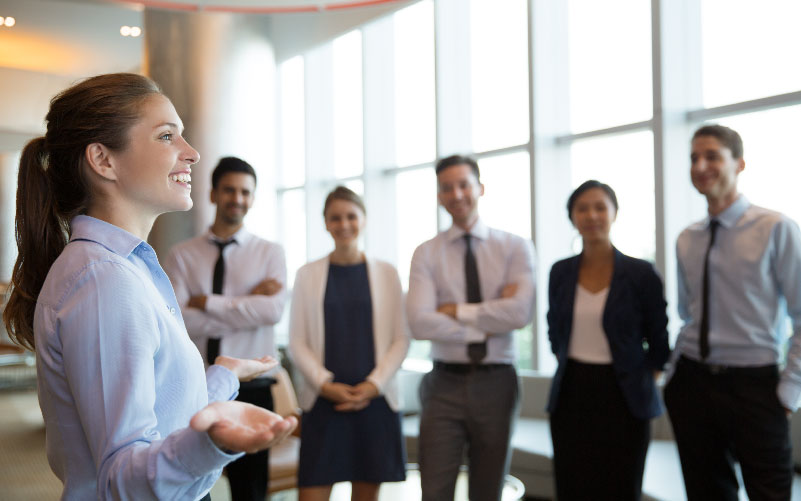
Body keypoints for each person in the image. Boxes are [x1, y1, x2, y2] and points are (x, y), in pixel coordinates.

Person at [1, 73, 296, 501]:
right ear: (103, 160)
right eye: (166, 136)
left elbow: (164, 417)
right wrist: (214, 443)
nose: (192, 153)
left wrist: (221, 376)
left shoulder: (123, 268)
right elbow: (122, 479)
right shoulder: (104, 281)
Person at [664, 124, 801, 500]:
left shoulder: (776, 228)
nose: (700, 165)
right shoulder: (687, 238)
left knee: (769, 492)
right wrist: (674, 376)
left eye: (712, 156)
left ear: (739, 163)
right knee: (705, 492)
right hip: (692, 382)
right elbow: (687, 313)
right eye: (694, 157)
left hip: (755, 386)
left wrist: (789, 392)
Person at [406, 155, 536, 501]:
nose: (456, 193)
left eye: (463, 184)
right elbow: (419, 323)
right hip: (442, 384)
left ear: (480, 187)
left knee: (487, 491)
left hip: (498, 382)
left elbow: (520, 314)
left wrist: (455, 312)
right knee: (434, 490)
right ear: (439, 196)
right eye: (446, 188)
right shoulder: (426, 253)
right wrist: (488, 320)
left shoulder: (514, 247)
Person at [164, 156, 287, 501]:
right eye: (229, 190)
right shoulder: (181, 255)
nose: (238, 199)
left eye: (246, 192)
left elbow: (273, 310)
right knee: (187, 483)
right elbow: (180, 320)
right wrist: (247, 301)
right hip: (194, 384)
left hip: (253, 386)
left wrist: (210, 302)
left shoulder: (270, 253)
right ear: (213, 194)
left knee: (250, 491)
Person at [546, 180, 670, 500]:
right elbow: (553, 329)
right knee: (573, 486)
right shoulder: (560, 272)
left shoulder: (641, 273)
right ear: (572, 217)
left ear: (615, 212)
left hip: (625, 395)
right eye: (582, 208)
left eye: (600, 207)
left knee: (621, 487)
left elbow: (659, 339)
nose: (592, 215)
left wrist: (644, 378)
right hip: (571, 391)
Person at [289, 186, 409, 501]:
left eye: (351, 216)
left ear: (364, 219)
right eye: (335, 218)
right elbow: (297, 342)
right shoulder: (306, 274)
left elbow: (401, 339)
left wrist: (374, 385)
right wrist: (325, 385)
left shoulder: (388, 273)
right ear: (325, 223)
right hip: (324, 403)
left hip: (375, 403)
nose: (344, 224)